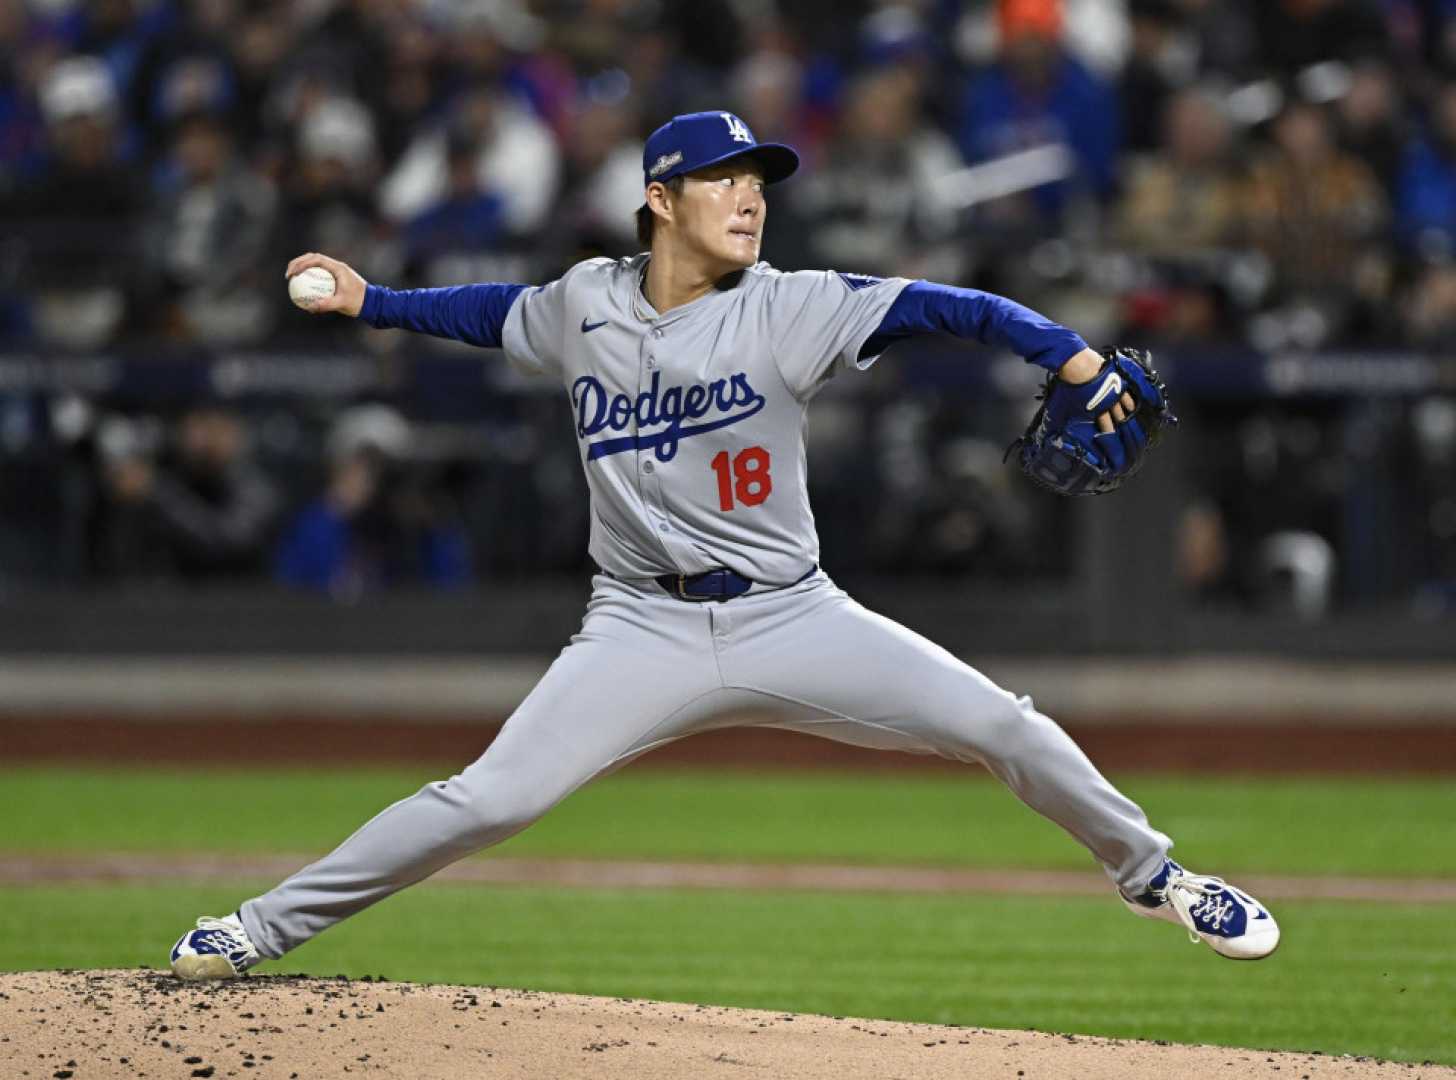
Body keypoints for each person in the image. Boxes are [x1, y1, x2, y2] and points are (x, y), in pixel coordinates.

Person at [168, 109, 1279, 981]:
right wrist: (372, 299)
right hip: (637, 624)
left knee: (1001, 724)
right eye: (725, 181)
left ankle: (1160, 879)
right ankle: (253, 930)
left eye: (758, 184)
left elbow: (959, 308)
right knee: (489, 801)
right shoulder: (581, 304)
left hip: (791, 612)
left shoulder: (789, 306)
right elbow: (478, 310)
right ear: (660, 200)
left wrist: (1071, 356)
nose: (750, 200)